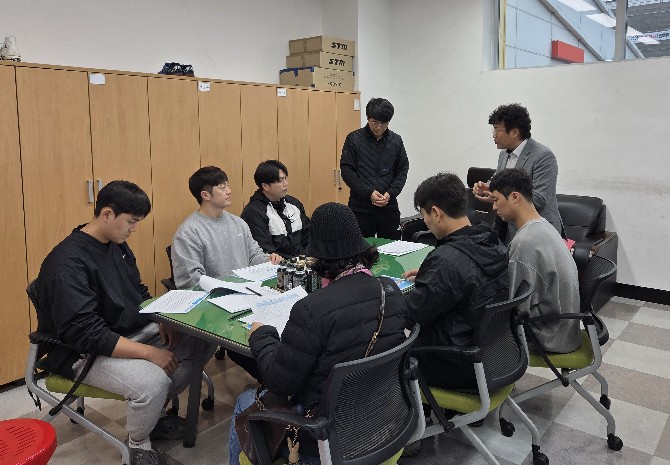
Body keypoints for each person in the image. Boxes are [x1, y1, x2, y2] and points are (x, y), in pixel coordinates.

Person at [34, 181, 211, 465]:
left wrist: (159, 315)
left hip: (127, 332)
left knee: (202, 339)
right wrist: (149, 353)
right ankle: (138, 445)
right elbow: (87, 334)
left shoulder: (116, 244)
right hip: (82, 352)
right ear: (107, 214)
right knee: (153, 381)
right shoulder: (67, 264)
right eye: (131, 221)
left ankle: (152, 414)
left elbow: (137, 289)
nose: (134, 229)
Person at [228, 202, 409, 465]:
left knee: (245, 400)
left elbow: (280, 382)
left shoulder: (311, 309)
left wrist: (262, 335)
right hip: (384, 419)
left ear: (318, 257)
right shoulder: (390, 290)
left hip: (324, 439)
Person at [401, 172, 509, 391]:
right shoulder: (491, 241)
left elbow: (413, 315)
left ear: (436, 213)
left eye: (424, 215)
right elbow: (466, 279)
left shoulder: (447, 260)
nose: (425, 222)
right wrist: (431, 277)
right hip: (497, 355)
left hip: (457, 364)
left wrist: (392, 294)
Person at [489, 168, 581, 353]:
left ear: (515, 197)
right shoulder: (544, 226)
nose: (494, 207)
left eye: (496, 200)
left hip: (547, 337)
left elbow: (514, 306)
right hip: (565, 330)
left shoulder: (525, 242)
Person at [172, 166, 282, 289]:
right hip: (215, 295)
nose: (229, 191)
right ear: (206, 195)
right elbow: (191, 281)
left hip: (247, 290)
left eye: (228, 186)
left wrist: (268, 260)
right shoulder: (188, 233)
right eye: (222, 188)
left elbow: (254, 256)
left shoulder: (238, 223)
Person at [473, 103, 562, 243]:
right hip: (508, 227)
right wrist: (487, 188)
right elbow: (499, 182)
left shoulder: (543, 156)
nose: (494, 136)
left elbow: (539, 198)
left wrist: (499, 197)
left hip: (537, 231)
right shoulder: (504, 155)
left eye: (497, 130)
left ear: (515, 132)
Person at [340, 97, 410, 239]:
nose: (379, 128)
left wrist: (390, 193)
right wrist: (368, 193)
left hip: (388, 207)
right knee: (360, 249)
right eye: (375, 122)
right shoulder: (354, 139)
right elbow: (347, 171)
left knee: (392, 248)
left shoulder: (396, 141)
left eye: (384, 123)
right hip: (360, 208)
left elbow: (402, 171)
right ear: (368, 118)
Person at [241, 160, 309, 259]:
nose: (285, 184)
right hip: (276, 265)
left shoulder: (294, 203)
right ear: (265, 186)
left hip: (303, 262)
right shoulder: (253, 212)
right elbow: (265, 252)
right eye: (280, 180)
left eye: (285, 179)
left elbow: (308, 237)